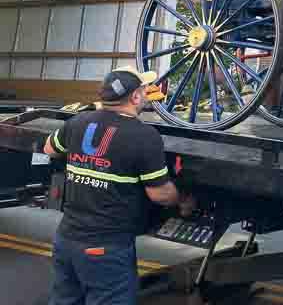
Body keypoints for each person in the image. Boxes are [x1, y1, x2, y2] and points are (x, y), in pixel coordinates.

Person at [43, 66, 195, 305]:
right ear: (135, 97)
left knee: (65, 299)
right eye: (144, 90)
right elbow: (160, 194)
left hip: (66, 238)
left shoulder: (78, 122)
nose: (145, 94)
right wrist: (182, 199)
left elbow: (49, 149)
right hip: (105, 248)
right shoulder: (144, 136)